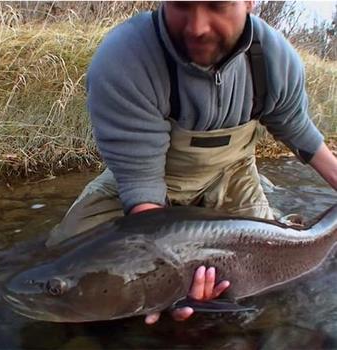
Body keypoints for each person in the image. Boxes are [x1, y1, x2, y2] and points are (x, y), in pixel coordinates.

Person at [47, 1, 337, 324]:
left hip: (232, 174)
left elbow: (300, 134)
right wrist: (166, 283)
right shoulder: (124, 59)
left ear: (249, 3)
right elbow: (144, 199)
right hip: (151, 176)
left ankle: (280, 220)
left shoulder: (275, 59)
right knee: (63, 253)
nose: (197, 27)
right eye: (181, 4)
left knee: (276, 272)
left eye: (217, 5)